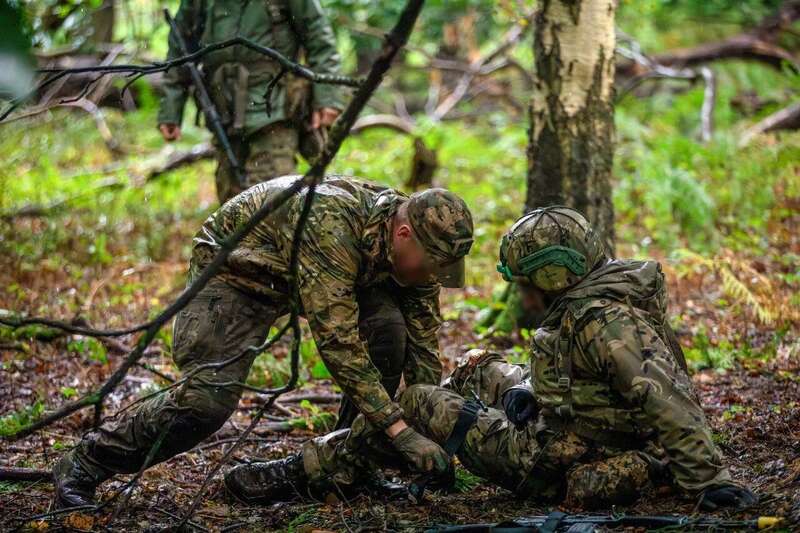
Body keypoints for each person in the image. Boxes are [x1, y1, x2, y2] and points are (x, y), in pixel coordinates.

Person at [227, 206, 756, 512]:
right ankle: (402, 453)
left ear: (554, 273)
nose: (524, 293)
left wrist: (707, 482)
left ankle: (309, 471)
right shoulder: (602, 298)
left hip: (550, 457)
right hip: (570, 423)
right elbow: (595, 383)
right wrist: (529, 389)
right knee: (478, 365)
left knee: (414, 402)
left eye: (527, 281)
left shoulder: (605, 323)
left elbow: (667, 400)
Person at [53, 175, 474, 508]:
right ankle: (86, 462)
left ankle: (345, 467)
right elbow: (337, 340)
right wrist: (398, 430)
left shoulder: (420, 249)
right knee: (206, 401)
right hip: (237, 271)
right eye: (431, 265)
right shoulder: (331, 223)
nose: (432, 275)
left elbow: (422, 342)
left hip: (308, 273)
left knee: (389, 333)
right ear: (403, 233)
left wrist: (428, 423)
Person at [158, 0, 345, 203]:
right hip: (223, 115)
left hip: (275, 110)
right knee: (232, 204)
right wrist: (171, 109)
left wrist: (327, 97)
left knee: (272, 198)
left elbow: (318, 38)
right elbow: (180, 46)